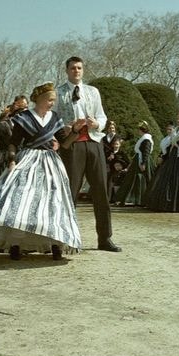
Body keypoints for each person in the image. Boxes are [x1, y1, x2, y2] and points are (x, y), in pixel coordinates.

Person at [0, 83, 83, 260]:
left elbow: (65, 144)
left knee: (53, 201)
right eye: (50, 100)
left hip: (50, 163)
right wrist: (12, 160)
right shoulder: (24, 118)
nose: (52, 103)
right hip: (27, 161)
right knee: (19, 203)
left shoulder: (55, 118)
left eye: (53, 100)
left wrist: (74, 131)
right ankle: (15, 244)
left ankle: (56, 243)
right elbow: (14, 142)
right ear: (40, 99)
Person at [54, 56, 122, 252]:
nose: (77, 71)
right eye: (73, 68)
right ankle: (64, 238)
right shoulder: (59, 93)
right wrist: (66, 129)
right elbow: (54, 118)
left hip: (93, 144)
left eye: (79, 68)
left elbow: (101, 115)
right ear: (67, 71)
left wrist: (97, 124)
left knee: (101, 191)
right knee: (70, 193)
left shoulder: (92, 92)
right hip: (72, 146)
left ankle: (105, 238)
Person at [115, 121, 154, 207]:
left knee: (141, 179)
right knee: (134, 179)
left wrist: (143, 163)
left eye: (139, 130)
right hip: (138, 160)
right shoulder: (144, 138)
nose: (138, 131)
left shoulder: (146, 139)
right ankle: (135, 200)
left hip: (143, 161)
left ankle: (141, 200)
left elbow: (146, 152)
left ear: (142, 130)